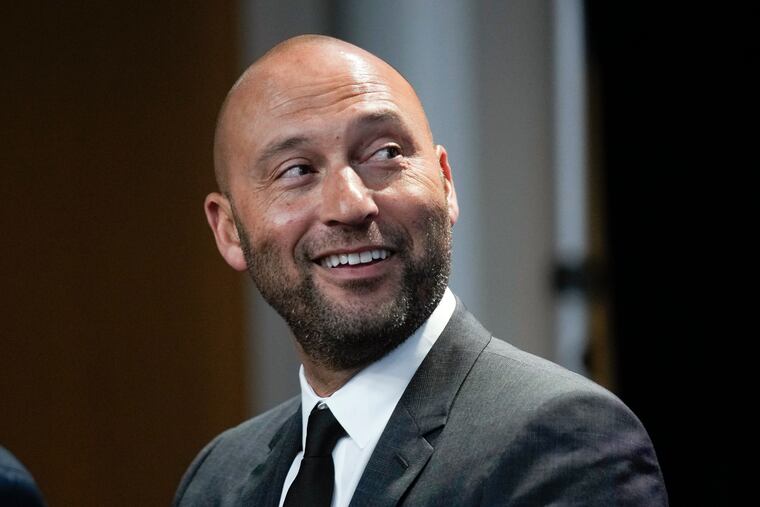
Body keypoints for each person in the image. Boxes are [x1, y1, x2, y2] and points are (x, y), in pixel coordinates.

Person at [174, 35, 667, 506]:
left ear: (446, 184)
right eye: (297, 170)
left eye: (384, 153)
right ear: (230, 231)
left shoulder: (564, 441)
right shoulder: (217, 478)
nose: (350, 204)